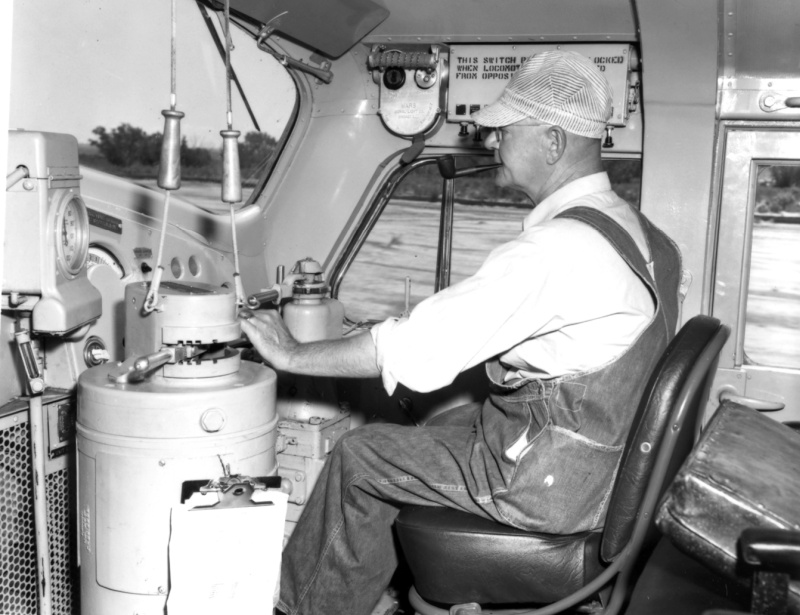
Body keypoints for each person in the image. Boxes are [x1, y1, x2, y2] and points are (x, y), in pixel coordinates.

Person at [240, 50, 682, 615]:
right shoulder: (647, 236)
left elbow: (411, 350)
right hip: (603, 470)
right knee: (445, 419)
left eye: (505, 130)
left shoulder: (557, 249)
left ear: (552, 141)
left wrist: (291, 353)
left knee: (359, 455)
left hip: (552, 486)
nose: (491, 140)